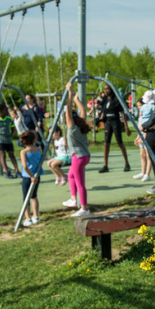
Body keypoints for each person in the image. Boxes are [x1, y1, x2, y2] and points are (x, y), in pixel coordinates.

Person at [63, 81, 91, 217]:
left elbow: (68, 110)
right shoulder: (81, 123)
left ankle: (84, 208)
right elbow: (84, 110)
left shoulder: (72, 127)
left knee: (81, 184)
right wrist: (76, 99)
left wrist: (69, 92)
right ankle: (74, 200)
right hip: (85, 156)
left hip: (78, 157)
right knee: (70, 175)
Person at [96, 84, 131, 173]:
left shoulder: (116, 99)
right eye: (105, 89)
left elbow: (122, 113)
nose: (106, 90)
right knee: (106, 143)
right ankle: (105, 165)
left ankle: (127, 163)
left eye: (107, 89)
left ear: (111, 89)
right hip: (108, 122)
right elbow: (103, 109)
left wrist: (126, 127)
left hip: (115, 122)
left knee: (119, 143)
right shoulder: (105, 99)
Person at [19, 130, 43, 227]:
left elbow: (25, 166)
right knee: (34, 196)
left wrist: (31, 176)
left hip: (27, 177)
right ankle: (36, 216)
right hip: (37, 176)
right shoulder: (38, 149)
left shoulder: (24, 152)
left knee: (26, 198)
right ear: (34, 140)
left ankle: (28, 218)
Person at [0, 104, 20, 179]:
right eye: (5, 110)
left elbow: (13, 128)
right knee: (2, 154)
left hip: (8, 138)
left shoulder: (9, 119)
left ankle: (17, 170)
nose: (7, 111)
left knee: (11, 154)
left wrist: (11, 134)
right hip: (0, 138)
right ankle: (6, 171)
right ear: (0, 111)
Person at [132, 91, 155, 182]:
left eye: (139, 106)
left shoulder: (149, 112)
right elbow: (140, 127)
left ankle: (147, 174)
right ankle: (143, 172)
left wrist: (143, 137)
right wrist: (138, 137)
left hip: (147, 134)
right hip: (142, 134)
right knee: (142, 154)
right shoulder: (141, 116)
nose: (138, 108)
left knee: (148, 154)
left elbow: (145, 128)